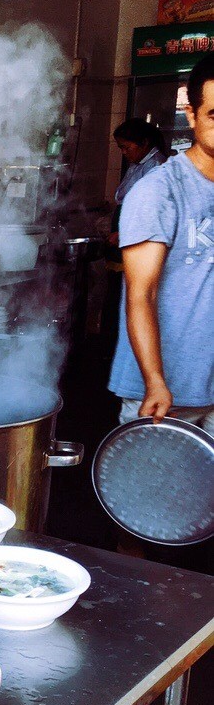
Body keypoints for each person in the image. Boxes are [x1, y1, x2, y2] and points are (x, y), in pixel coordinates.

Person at [110, 54, 214, 429]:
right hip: (164, 395)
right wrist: (155, 380)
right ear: (192, 115)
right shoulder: (159, 191)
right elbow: (142, 294)